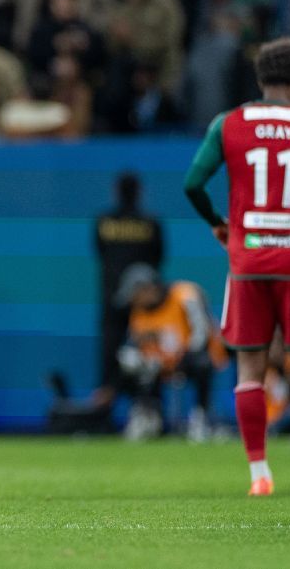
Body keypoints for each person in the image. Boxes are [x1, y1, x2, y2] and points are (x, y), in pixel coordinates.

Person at [183, 37, 290, 496]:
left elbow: (193, 183)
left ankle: (259, 475)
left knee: (249, 370)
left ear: (260, 80)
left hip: (249, 259)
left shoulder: (229, 124)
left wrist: (219, 224)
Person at [114, 263, 225, 441]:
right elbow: (133, 343)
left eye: (135, 295)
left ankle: (201, 419)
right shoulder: (139, 312)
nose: (133, 301)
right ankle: (148, 417)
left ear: (147, 288)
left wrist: (179, 357)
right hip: (158, 364)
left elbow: (201, 334)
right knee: (128, 368)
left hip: (191, 357)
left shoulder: (184, 295)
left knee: (202, 363)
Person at [93, 173, 164, 403]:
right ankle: (149, 406)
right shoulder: (150, 223)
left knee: (110, 356)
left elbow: (100, 252)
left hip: (111, 299)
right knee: (150, 352)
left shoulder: (104, 222)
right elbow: (158, 258)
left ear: (115, 192)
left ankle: (107, 411)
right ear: (140, 192)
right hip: (144, 304)